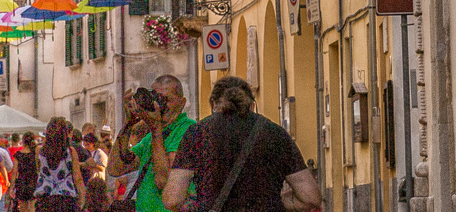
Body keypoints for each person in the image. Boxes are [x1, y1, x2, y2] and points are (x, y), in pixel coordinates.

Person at [163, 78, 317, 212]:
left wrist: (199, 205)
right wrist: (275, 202)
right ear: (251, 104)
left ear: (214, 104)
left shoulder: (197, 133)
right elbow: (310, 197)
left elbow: (173, 200)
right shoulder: (275, 133)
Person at [114, 78, 190, 212]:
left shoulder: (188, 129)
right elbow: (116, 168)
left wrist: (155, 128)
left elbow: (163, 181)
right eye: (157, 98)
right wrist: (128, 123)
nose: (161, 105)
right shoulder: (152, 137)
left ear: (182, 103)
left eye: (167, 100)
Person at [32, 118, 88, 212]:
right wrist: (83, 199)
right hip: (66, 198)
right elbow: (77, 177)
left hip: (45, 198)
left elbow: (38, 171)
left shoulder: (39, 151)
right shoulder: (70, 151)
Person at [10, 134, 39, 212]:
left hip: (21, 182)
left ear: (23, 141)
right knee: (33, 207)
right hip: (33, 181)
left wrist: (11, 187)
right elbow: (38, 169)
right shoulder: (35, 154)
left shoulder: (18, 155)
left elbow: (14, 172)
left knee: (23, 208)